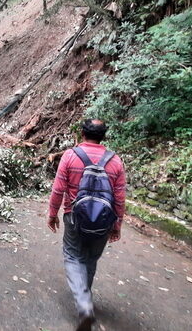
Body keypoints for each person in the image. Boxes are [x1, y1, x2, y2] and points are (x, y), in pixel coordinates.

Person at [47, 119, 126, 331]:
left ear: (82, 133)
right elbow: (119, 198)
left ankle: (84, 306)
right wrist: (117, 224)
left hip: (74, 216)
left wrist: (52, 214)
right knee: (91, 258)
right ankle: (86, 297)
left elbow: (58, 189)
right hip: (103, 221)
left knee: (73, 256)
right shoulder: (115, 161)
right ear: (104, 136)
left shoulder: (70, 156)